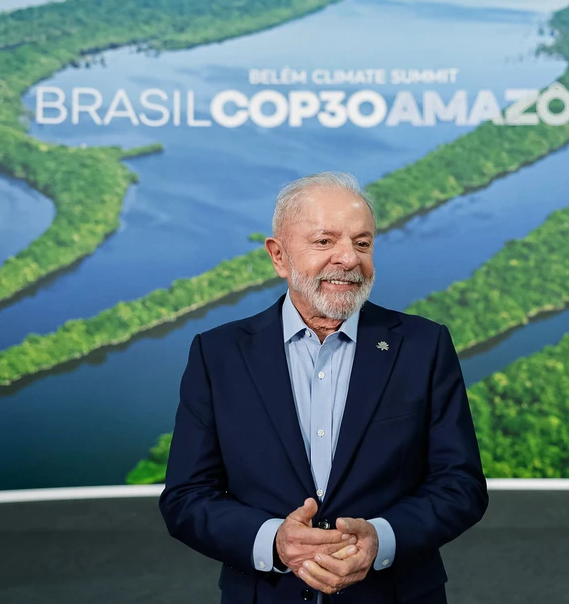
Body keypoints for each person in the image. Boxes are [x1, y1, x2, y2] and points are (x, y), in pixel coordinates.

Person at [160, 172, 489, 603]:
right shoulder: (217, 354)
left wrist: (382, 539)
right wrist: (273, 541)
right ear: (278, 256)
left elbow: (460, 485)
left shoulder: (424, 346)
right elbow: (186, 497)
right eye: (324, 242)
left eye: (363, 243)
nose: (348, 259)